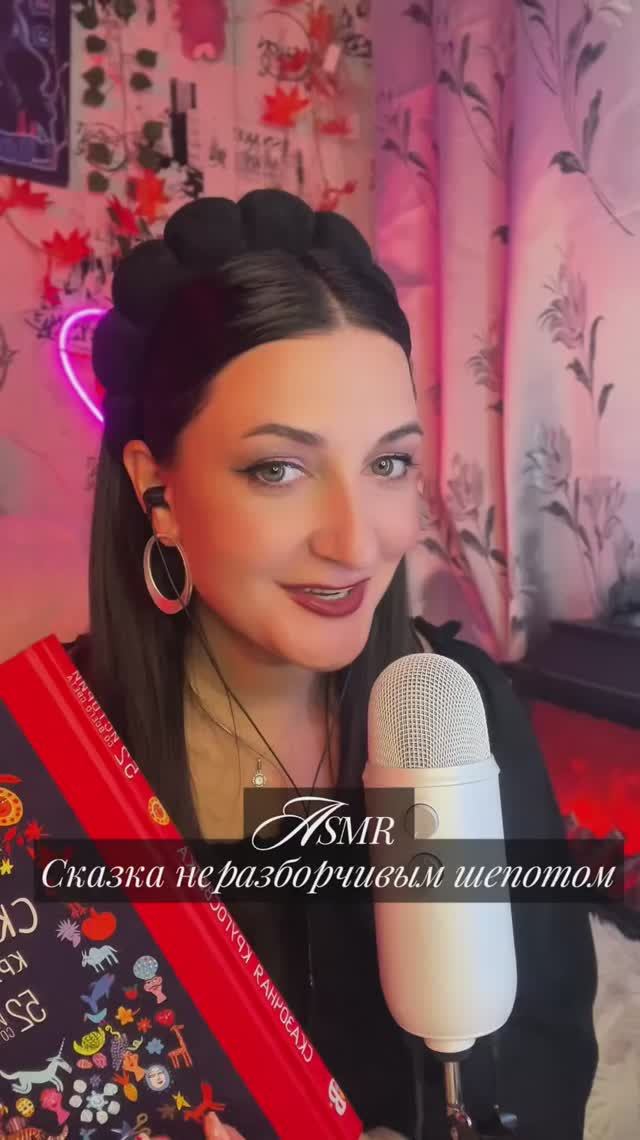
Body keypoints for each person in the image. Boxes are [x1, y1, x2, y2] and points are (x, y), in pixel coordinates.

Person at [70, 189, 598, 1139]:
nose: (357, 543)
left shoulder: (460, 707)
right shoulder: (46, 755)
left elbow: (549, 1049)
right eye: (278, 468)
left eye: (388, 464)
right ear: (159, 492)